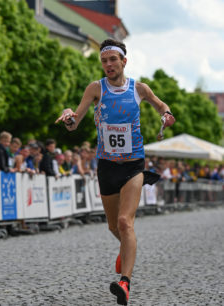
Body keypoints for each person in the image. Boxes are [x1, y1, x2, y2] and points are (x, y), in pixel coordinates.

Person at [55, 38, 175, 305]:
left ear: (124, 61)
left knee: (124, 222)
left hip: (133, 164)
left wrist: (166, 115)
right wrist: (68, 117)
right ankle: (125, 249)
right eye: (104, 61)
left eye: (113, 60)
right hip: (107, 165)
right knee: (113, 225)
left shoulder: (139, 88)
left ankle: (125, 282)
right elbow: (75, 123)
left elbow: (161, 105)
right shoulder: (96, 88)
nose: (108, 65)